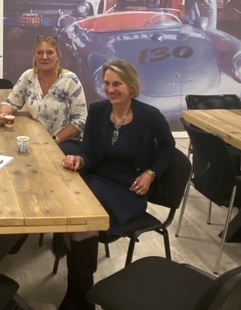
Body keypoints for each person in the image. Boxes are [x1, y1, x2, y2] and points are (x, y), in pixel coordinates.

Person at [60, 59, 174, 310]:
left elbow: (169, 148)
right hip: (97, 178)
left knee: (82, 222)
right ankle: (78, 292)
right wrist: (79, 160)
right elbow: (88, 152)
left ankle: (79, 296)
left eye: (117, 84)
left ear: (131, 86)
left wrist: (151, 173)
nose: (110, 89)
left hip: (128, 189)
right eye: (107, 83)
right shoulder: (98, 111)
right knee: (69, 211)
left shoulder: (150, 116)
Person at [0, 35, 87, 156]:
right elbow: (10, 103)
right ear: (34, 55)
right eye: (40, 53)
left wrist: (54, 140)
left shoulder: (70, 81)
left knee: (42, 158)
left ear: (58, 55)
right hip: (37, 139)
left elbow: (80, 120)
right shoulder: (28, 77)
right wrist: (3, 115)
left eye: (49, 52)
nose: (44, 57)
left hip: (66, 142)